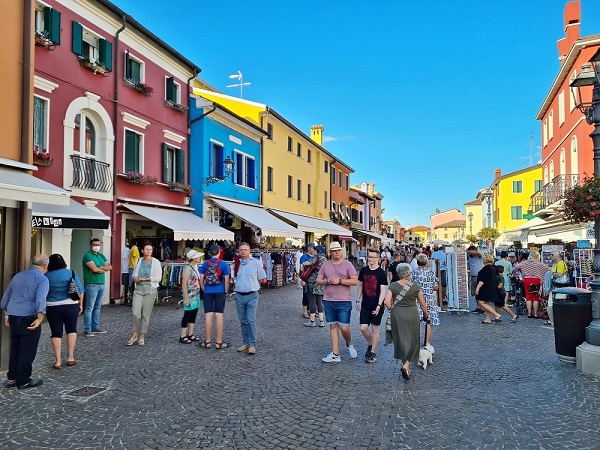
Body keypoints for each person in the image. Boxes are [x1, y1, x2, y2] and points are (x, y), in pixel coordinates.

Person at [1, 255, 49, 389]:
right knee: (27, 350)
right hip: (29, 317)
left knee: (15, 348)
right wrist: (40, 318)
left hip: (14, 316)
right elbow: (41, 300)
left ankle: (11, 378)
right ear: (45, 266)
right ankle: (23, 380)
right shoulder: (42, 279)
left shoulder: (18, 276)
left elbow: (6, 297)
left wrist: (6, 315)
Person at [384, 263, 429, 380]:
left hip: (397, 315)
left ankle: (406, 366)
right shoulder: (415, 287)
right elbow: (423, 304)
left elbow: (387, 302)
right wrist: (426, 315)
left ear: (398, 273)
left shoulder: (393, 286)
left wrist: (393, 310)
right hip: (412, 315)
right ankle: (406, 366)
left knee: (401, 340)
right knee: (412, 340)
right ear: (409, 273)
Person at [316, 241, 359, 363]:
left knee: (344, 327)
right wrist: (326, 282)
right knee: (333, 325)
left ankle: (349, 344)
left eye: (339, 250)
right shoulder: (326, 265)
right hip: (328, 300)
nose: (337, 252)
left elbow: (355, 281)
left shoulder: (347, 264)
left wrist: (339, 281)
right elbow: (318, 280)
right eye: (334, 251)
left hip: (344, 301)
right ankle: (335, 354)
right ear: (331, 252)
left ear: (342, 251)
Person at [45, 254, 83, 368]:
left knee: (56, 333)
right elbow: (80, 290)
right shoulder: (71, 273)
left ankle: (58, 360)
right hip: (70, 305)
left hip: (52, 306)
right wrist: (80, 304)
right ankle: (70, 357)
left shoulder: (46, 276)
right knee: (71, 330)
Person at [356, 248, 389, 363]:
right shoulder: (364, 271)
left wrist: (379, 305)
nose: (371, 259)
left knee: (375, 329)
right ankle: (371, 343)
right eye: (369, 257)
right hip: (365, 304)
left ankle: (373, 352)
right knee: (363, 328)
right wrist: (357, 300)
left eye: (373, 257)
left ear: (378, 258)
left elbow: (383, 290)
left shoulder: (381, 273)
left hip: (377, 305)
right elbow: (360, 285)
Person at [234, 242, 267, 355]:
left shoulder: (256, 263)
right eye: (241, 250)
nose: (242, 251)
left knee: (250, 319)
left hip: (252, 295)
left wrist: (253, 286)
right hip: (239, 295)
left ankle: (252, 344)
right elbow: (235, 277)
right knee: (243, 320)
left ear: (249, 251)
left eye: (245, 250)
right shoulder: (237, 263)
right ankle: (246, 342)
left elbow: (261, 278)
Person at [127, 244, 162, 346]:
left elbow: (158, 277)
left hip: (150, 289)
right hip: (139, 288)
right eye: (147, 249)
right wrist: (135, 278)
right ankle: (134, 334)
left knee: (145, 314)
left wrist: (147, 279)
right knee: (135, 312)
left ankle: (142, 335)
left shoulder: (155, 262)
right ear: (142, 250)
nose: (148, 251)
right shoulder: (138, 261)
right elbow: (134, 274)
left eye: (150, 249)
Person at [198, 244, 231, 349]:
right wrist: (225, 291)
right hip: (219, 291)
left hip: (208, 291)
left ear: (209, 253)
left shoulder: (205, 264)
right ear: (219, 252)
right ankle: (219, 342)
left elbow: (201, 279)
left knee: (208, 316)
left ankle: (207, 342)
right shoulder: (223, 264)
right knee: (219, 315)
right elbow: (226, 280)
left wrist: (204, 289)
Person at [82, 238, 112, 336]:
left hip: (101, 284)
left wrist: (100, 268)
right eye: (95, 245)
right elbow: (93, 269)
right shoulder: (87, 256)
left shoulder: (101, 256)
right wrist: (101, 269)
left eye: (98, 245)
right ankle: (88, 329)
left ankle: (95, 327)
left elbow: (110, 267)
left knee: (98, 307)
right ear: (91, 245)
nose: (97, 247)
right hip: (91, 284)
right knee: (90, 307)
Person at [410, 254, 440, 347]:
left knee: (416, 320)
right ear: (426, 262)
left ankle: (415, 341)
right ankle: (427, 342)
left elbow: (410, 285)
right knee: (429, 320)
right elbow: (435, 288)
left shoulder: (413, 272)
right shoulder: (430, 273)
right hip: (429, 299)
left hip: (417, 299)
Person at [514, 249, 550, 318]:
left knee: (528, 297)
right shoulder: (540, 264)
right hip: (536, 280)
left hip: (527, 280)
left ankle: (529, 313)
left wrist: (515, 274)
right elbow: (549, 269)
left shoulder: (524, 263)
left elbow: (516, 267)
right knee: (535, 297)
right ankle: (536, 313)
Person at [180, 250, 203, 344]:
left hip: (196, 294)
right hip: (189, 294)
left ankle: (190, 334)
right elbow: (184, 283)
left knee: (193, 313)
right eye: (197, 256)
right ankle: (183, 335)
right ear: (193, 258)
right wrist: (186, 297)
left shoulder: (195, 267)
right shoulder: (187, 268)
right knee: (187, 314)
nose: (199, 258)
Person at [475, 254, 503, 324]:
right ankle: (488, 318)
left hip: (486, 288)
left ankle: (496, 314)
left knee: (481, 302)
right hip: (492, 287)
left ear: (485, 260)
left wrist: (478, 288)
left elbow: (483, 279)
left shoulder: (486, 268)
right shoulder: (494, 267)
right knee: (486, 302)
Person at [304, 245, 327, 327]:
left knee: (312, 302)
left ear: (317, 251)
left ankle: (312, 321)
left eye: (315, 249)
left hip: (312, 282)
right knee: (320, 302)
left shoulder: (316, 258)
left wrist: (303, 263)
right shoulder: (325, 260)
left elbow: (308, 263)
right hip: (321, 283)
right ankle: (321, 321)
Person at [467, 246, 484, 314]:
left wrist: (473, 251)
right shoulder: (469, 256)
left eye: (472, 251)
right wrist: (468, 251)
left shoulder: (479, 256)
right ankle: (478, 307)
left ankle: (482, 308)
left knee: (480, 292)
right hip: (473, 276)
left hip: (480, 276)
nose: (471, 253)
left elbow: (479, 253)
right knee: (475, 293)